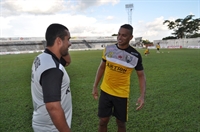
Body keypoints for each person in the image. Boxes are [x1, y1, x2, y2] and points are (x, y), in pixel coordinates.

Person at [92, 24, 146, 132]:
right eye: (119, 34)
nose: (120, 38)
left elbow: (141, 76)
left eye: (124, 35)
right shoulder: (108, 49)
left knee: (120, 123)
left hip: (121, 94)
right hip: (106, 91)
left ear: (131, 37)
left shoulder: (135, 56)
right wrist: (95, 86)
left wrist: (142, 96)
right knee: (103, 120)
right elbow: (101, 67)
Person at [31, 23, 72, 132]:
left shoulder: (42, 57)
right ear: (59, 41)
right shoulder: (52, 69)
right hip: (52, 127)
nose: (70, 43)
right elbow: (53, 107)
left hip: (44, 122)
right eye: (68, 39)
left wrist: (63, 48)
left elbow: (67, 61)